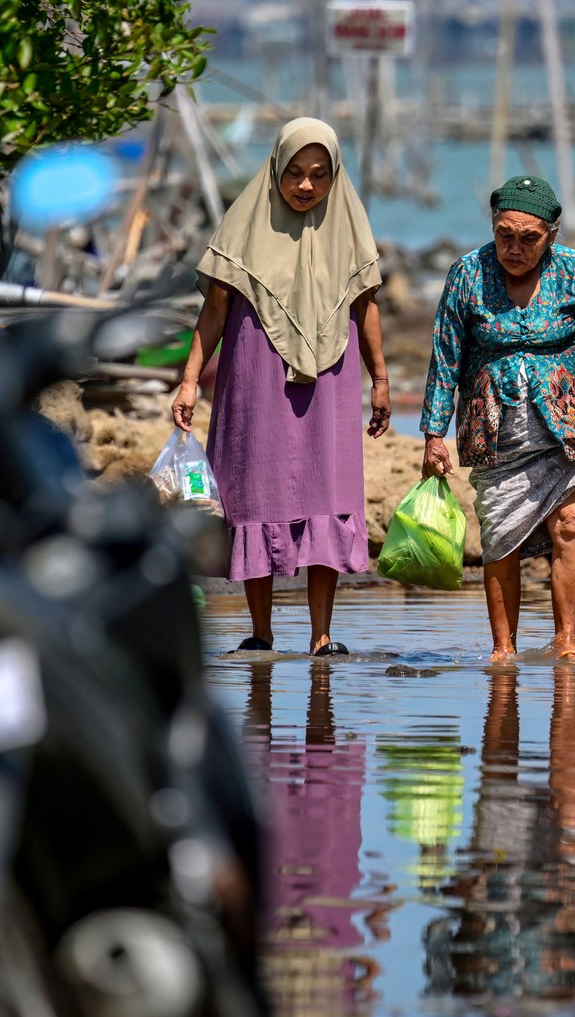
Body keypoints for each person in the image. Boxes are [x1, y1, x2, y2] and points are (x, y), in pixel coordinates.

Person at [172, 118, 391, 656]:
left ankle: (322, 635)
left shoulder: (349, 226)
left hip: (332, 378)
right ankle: (260, 631)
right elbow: (215, 309)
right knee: (255, 493)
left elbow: (365, 306)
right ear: (275, 169)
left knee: (327, 491)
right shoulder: (244, 224)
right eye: (294, 173)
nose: (306, 186)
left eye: (319, 175)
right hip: (254, 373)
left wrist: (381, 378)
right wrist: (187, 380)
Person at [419, 175, 575, 664]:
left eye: (528, 238)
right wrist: (434, 434)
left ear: (551, 235)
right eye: (503, 235)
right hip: (495, 429)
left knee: (571, 527)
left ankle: (567, 641)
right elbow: (445, 359)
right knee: (502, 536)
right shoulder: (466, 274)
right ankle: (503, 648)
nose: (513, 248)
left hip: (569, 421)